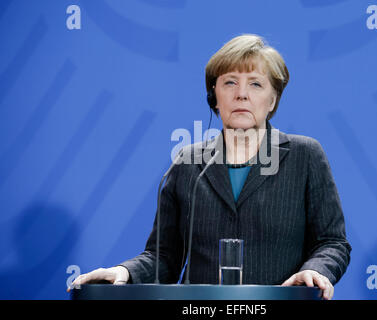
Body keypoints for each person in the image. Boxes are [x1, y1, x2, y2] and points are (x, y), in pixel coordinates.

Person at [69, 34, 351, 300]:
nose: (241, 94)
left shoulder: (304, 156)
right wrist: (124, 272)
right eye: (230, 83)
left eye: (255, 84)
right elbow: (164, 257)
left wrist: (315, 270)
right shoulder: (187, 163)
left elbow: (332, 242)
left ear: (273, 99)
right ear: (213, 98)